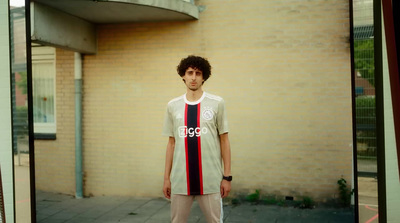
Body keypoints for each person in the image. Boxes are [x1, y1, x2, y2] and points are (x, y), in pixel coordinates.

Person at [162, 55, 232, 223]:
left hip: (210, 179)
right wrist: (166, 178)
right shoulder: (173, 105)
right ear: (183, 76)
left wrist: (227, 177)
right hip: (180, 180)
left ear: (203, 77)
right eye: (190, 72)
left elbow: (224, 140)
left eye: (198, 73)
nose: (193, 77)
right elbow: (171, 144)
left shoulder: (217, 103)